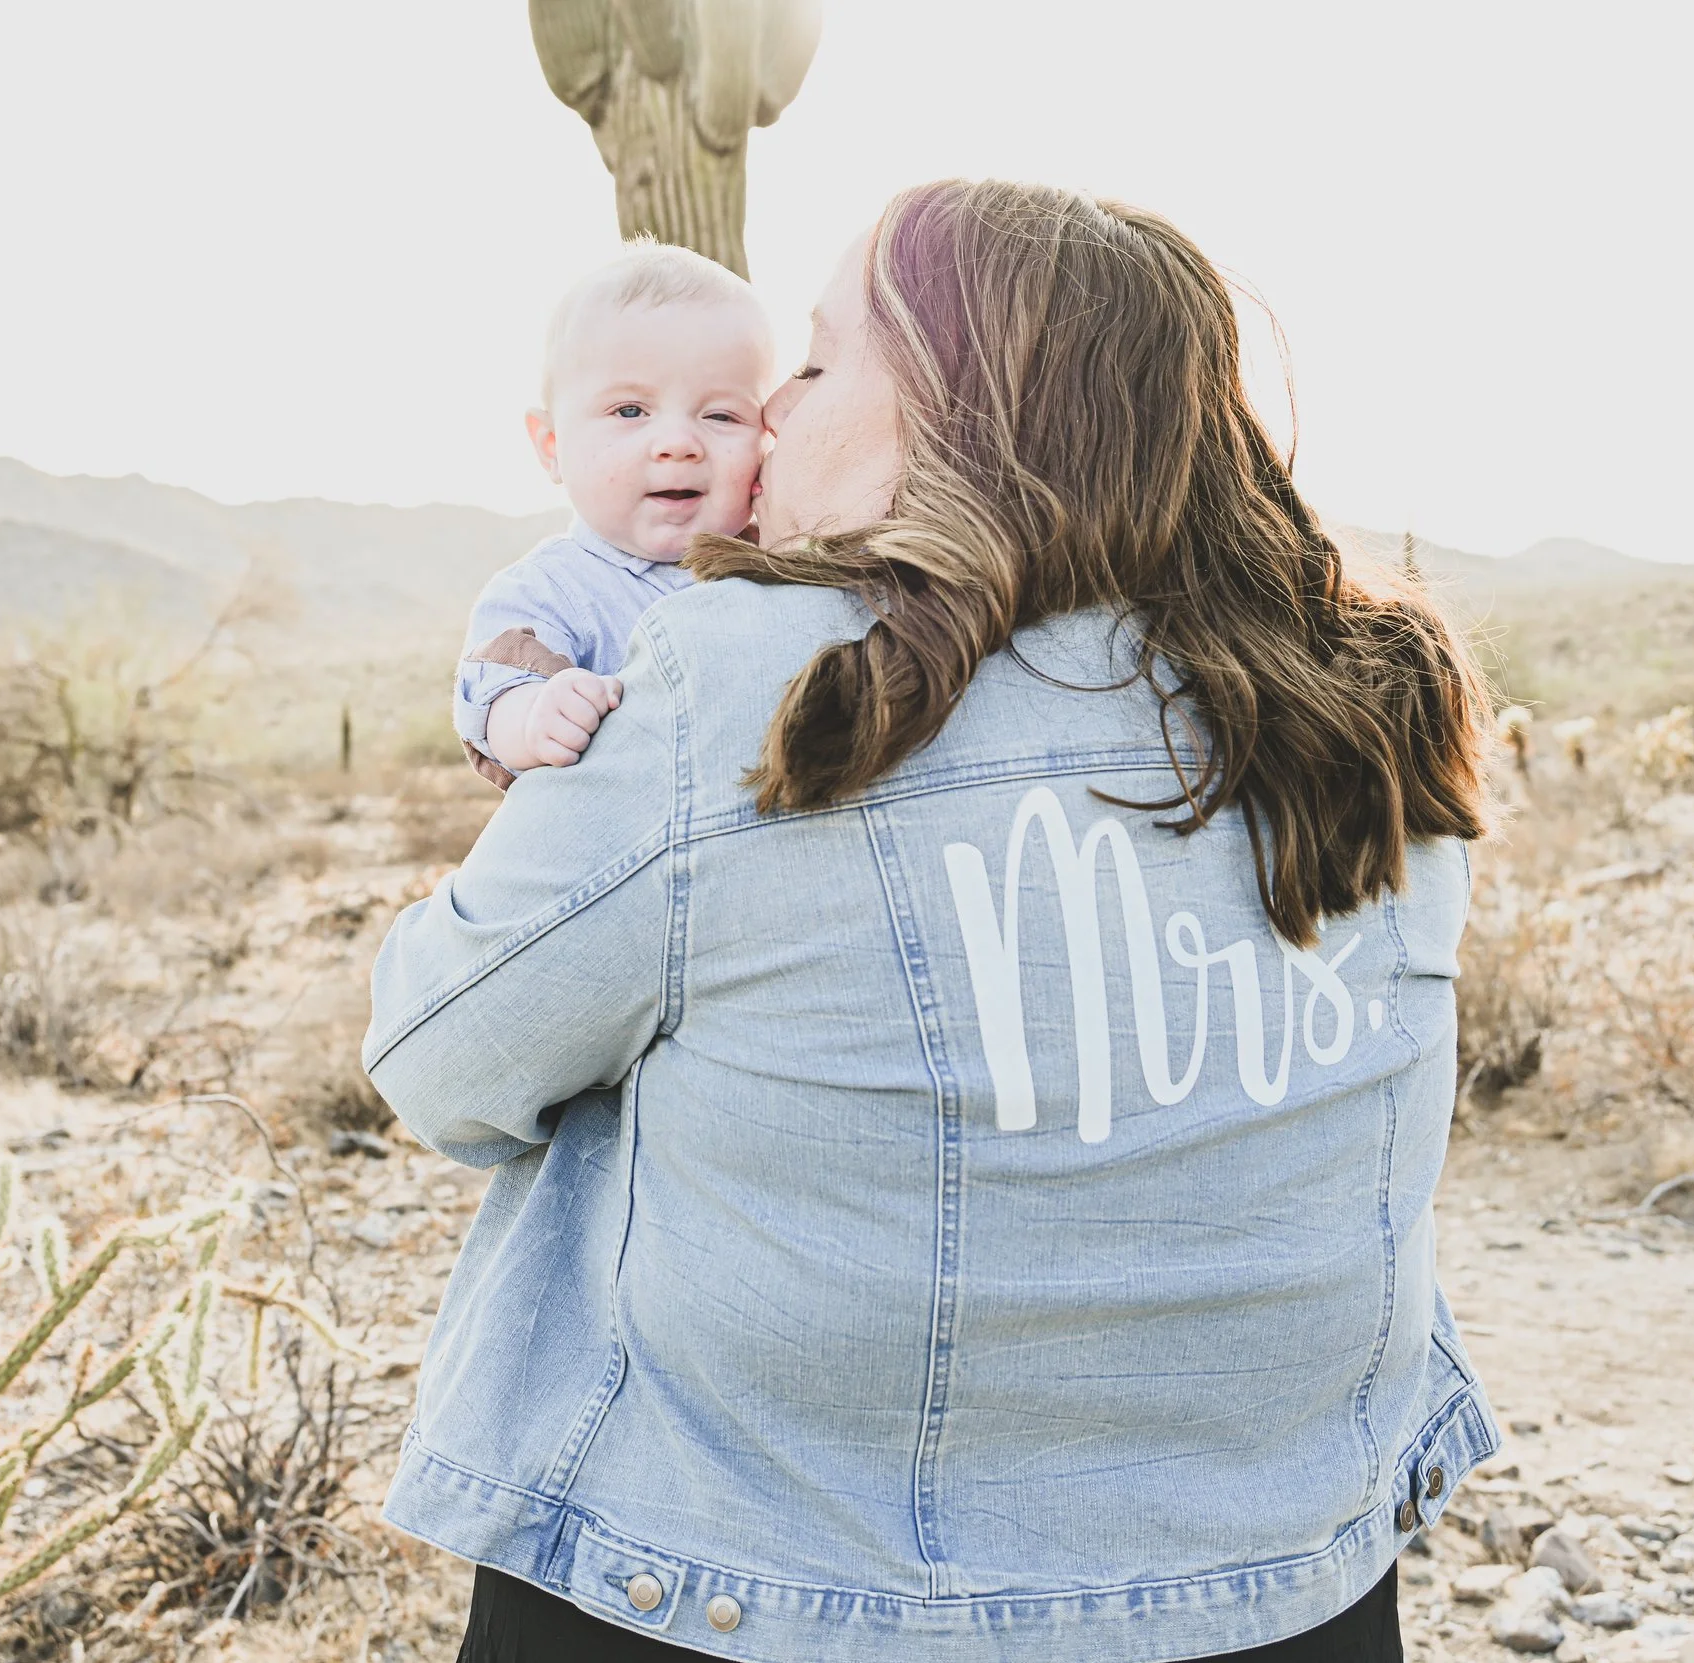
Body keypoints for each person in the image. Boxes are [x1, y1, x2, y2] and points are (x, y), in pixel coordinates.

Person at [365, 178, 1502, 1663]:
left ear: (972, 415)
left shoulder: (749, 675)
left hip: (753, 1598)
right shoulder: (1370, 696)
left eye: (819, 360)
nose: (771, 410)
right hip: (1287, 1592)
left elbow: (440, 1059)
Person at [453, 240, 774, 789]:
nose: (678, 443)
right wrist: (534, 715)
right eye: (630, 410)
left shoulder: (784, 562)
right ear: (552, 445)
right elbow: (490, 690)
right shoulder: (552, 590)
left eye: (721, 415)